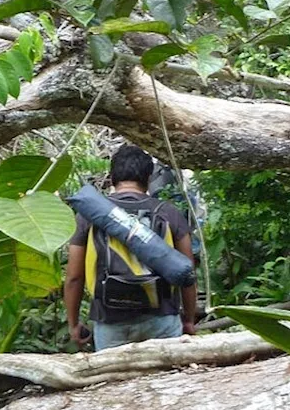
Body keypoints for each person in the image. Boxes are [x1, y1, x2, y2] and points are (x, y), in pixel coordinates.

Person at [64, 145, 199, 351]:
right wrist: (189, 320)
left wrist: (73, 324)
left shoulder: (88, 216)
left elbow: (74, 276)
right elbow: (187, 273)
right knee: (168, 381)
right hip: (162, 318)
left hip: (110, 321)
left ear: (112, 177)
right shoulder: (168, 213)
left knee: (114, 383)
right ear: (148, 177)